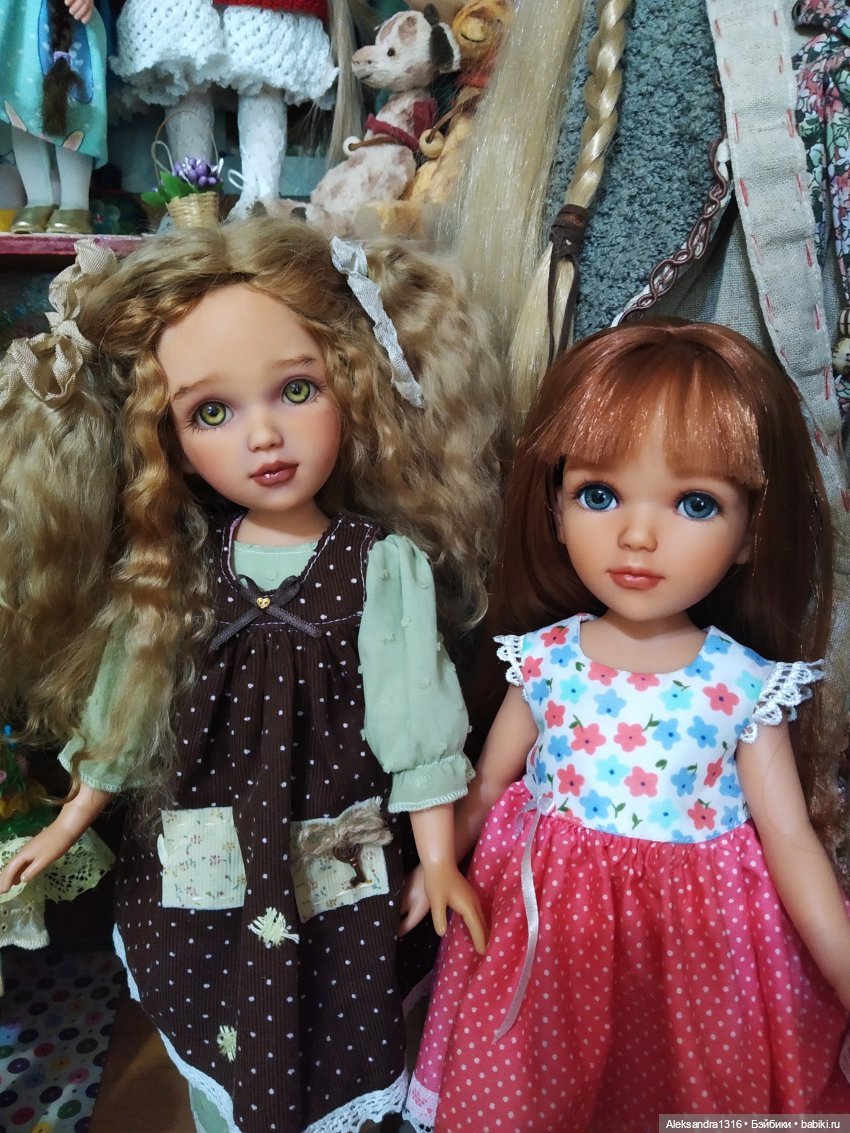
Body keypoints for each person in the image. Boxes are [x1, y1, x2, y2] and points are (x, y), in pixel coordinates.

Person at [0, 216, 505, 1132]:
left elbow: (415, 719)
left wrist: (437, 856)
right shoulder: (175, 570)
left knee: (330, 1013)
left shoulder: (377, 564)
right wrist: (71, 819)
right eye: (213, 412)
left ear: (351, 386)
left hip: (328, 840)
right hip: (202, 848)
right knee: (215, 1017)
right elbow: (126, 708)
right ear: (166, 437)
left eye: (297, 390)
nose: (264, 436)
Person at [402, 320, 850, 1133]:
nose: (638, 536)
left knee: (683, 1099)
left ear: (751, 530)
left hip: (693, 953)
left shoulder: (740, 684)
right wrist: (436, 864)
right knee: (539, 1097)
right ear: (555, 503)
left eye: (696, 503)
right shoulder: (546, 660)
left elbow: (789, 839)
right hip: (550, 944)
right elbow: (491, 781)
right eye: (599, 495)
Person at [0, 0, 109, 234]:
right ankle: (38, 199)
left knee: (73, 104)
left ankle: (75, 204)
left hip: (64, 18)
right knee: (20, 101)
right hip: (14, 17)